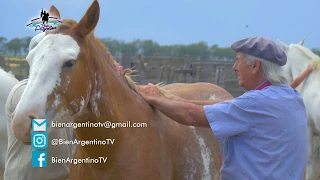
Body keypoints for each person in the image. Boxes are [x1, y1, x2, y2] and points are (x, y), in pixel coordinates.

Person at [137, 37, 308, 179]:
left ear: (255, 66)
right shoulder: (291, 97)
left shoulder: (254, 104)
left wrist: (153, 98)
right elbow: (226, 107)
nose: (234, 67)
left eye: (238, 60)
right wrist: (173, 99)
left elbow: (191, 116)